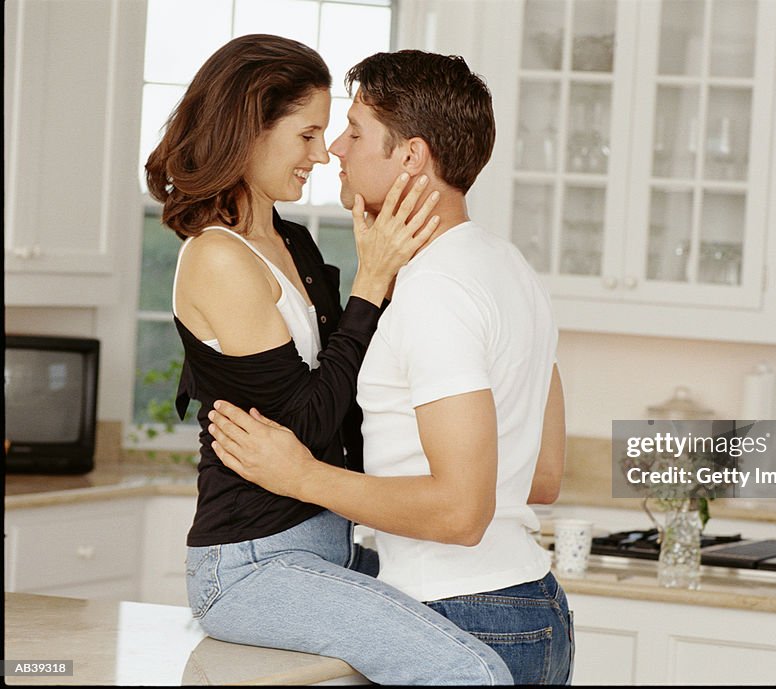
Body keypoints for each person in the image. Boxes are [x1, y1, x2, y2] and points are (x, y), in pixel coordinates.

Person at [145, 34, 513, 685]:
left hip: (325, 547)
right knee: (473, 670)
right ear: (251, 129)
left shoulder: (291, 240)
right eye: (308, 134)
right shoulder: (217, 258)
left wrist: (394, 274)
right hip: (250, 565)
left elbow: (348, 394)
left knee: (487, 628)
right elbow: (306, 428)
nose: (322, 155)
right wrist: (371, 282)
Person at [207, 49, 573, 685]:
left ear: (411, 157)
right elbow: (540, 478)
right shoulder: (507, 267)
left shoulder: (437, 289)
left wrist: (300, 475)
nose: (336, 151)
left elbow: (461, 512)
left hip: (461, 615)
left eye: (354, 132)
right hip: (537, 609)